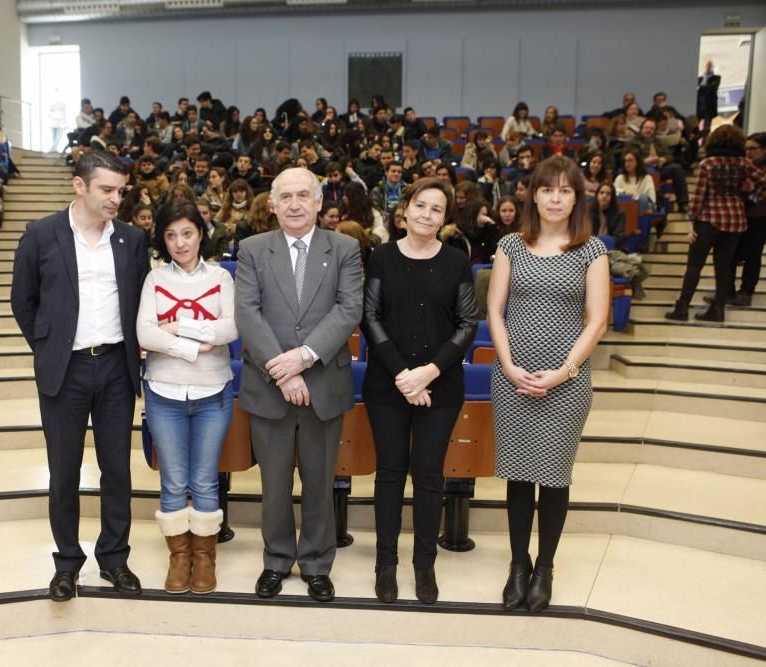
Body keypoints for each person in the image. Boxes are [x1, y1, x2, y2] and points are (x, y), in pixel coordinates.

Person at [11, 151, 149, 602]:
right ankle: (67, 564)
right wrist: (48, 347)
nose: (116, 198)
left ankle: (114, 558)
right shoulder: (40, 234)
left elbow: (140, 299)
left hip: (114, 366)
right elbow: (23, 301)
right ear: (80, 186)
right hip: (64, 370)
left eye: (121, 191)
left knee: (116, 470)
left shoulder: (132, 239)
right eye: (107, 189)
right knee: (64, 472)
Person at [234, 167, 363, 603]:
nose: (294, 204)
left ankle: (316, 563)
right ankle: (275, 560)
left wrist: (304, 359)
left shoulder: (344, 248)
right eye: (285, 196)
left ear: (319, 202)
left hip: (323, 385)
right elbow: (248, 314)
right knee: (273, 485)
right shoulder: (252, 249)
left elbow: (348, 310)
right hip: (268, 387)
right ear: (272, 204)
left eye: (303, 196)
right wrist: (282, 371)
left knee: (319, 483)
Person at [487, 155, 609, 613]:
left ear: (576, 198)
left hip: (567, 381)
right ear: (532, 195)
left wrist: (562, 372)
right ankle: (518, 565)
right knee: (519, 477)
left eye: (565, 191)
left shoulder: (591, 250)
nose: (555, 198)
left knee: (554, 478)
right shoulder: (511, 246)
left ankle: (545, 568)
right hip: (513, 376)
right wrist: (509, 365)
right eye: (547, 189)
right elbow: (495, 312)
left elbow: (596, 322)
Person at [362, 177, 477, 604]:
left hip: (440, 384)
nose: (427, 215)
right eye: (421, 205)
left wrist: (426, 373)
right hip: (387, 384)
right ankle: (386, 563)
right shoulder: (381, 257)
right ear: (404, 208)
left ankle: (424, 565)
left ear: (445, 218)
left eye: (437, 209)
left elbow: (468, 324)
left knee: (429, 475)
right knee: (390, 473)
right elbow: (369, 317)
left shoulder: (456, 261)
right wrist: (404, 376)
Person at [136, 200, 239, 595]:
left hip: (213, 392)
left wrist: (177, 326)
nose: (180, 242)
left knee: (205, 480)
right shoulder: (154, 280)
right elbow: (145, 336)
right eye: (171, 235)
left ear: (200, 234)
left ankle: (206, 558)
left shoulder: (221, 278)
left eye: (188, 233)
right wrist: (197, 345)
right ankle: (180, 557)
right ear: (163, 239)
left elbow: (231, 329)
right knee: (175, 482)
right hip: (164, 392)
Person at [665, 125, 766, 322]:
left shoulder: (708, 164)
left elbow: (699, 196)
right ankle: (718, 309)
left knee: (695, 264)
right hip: (736, 219)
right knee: (724, 266)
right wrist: (753, 196)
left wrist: (690, 222)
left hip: (709, 219)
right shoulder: (744, 163)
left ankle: (682, 307)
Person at [726, 133, 766, 306]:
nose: (748, 152)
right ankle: (726, 292)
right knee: (729, 255)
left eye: (752, 149)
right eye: (746, 148)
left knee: (752, 256)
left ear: (764, 150)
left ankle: (746, 291)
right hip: (737, 215)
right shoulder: (742, 165)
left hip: (759, 217)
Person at [613, 149, 656, 213]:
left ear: (637, 162)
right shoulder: (620, 178)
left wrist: (634, 198)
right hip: (623, 205)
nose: (627, 164)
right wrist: (624, 193)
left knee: (644, 199)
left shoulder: (647, 178)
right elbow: (613, 192)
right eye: (626, 161)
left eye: (630, 161)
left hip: (640, 205)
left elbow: (651, 198)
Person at [696, 61, 721, 136]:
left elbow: (712, 88)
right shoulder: (700, 79)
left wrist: (701, 88)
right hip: (699, 106)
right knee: (694, 126)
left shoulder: (716, 78)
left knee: (707, 128)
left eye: (710, 66)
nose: (708, 67)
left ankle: (705, 143)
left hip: (709, 107)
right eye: (707, 66)